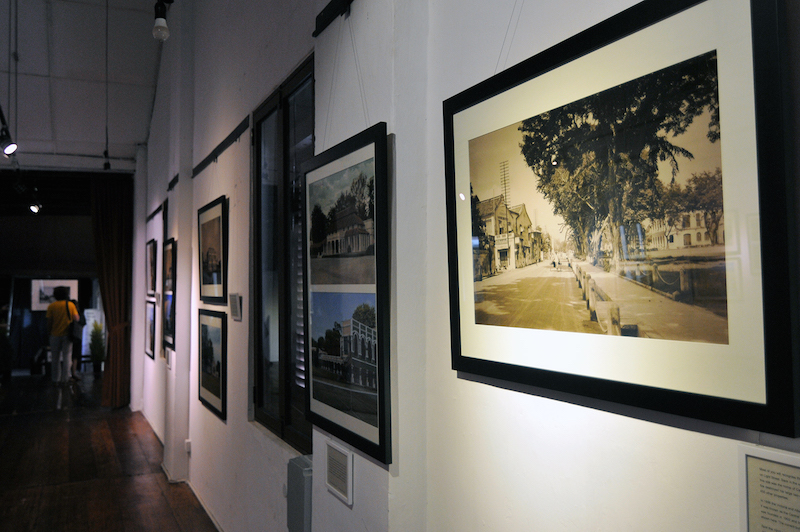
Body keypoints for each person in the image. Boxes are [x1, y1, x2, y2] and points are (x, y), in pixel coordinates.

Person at [46, 286, 79, 384]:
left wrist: (49, 332)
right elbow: (77, 319)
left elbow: (49, 322)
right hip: (68, 335)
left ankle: (55, 379)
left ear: (55, 295)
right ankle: (65, 379)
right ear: (66, 295)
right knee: (67, 357)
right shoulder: (70, 305)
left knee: (55, 358)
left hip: (54, 335)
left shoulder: (51, 306)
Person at [69, 299, 85, 380]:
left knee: (72, 356)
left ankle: (71, 374)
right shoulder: (79, 314)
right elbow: (83, 323)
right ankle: (73, 373)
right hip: (77, 336)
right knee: (74, 356)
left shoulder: (71, 314)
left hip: (71, 336)